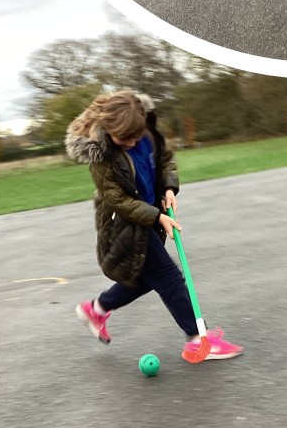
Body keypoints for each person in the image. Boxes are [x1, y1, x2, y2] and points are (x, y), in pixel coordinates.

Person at [64, 90, 241, 362]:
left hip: (148, 217)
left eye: (136, 136)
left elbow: (164, 160)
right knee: (169, 278)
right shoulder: (102, 156)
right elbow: (118, 200)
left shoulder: (146, 133)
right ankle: (198, 340)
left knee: (145, 279)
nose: (132, 143)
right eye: (124, 139)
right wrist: (157, 217)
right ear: (109, 129)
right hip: (127, 225)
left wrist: (168, 188)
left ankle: (96, 309)